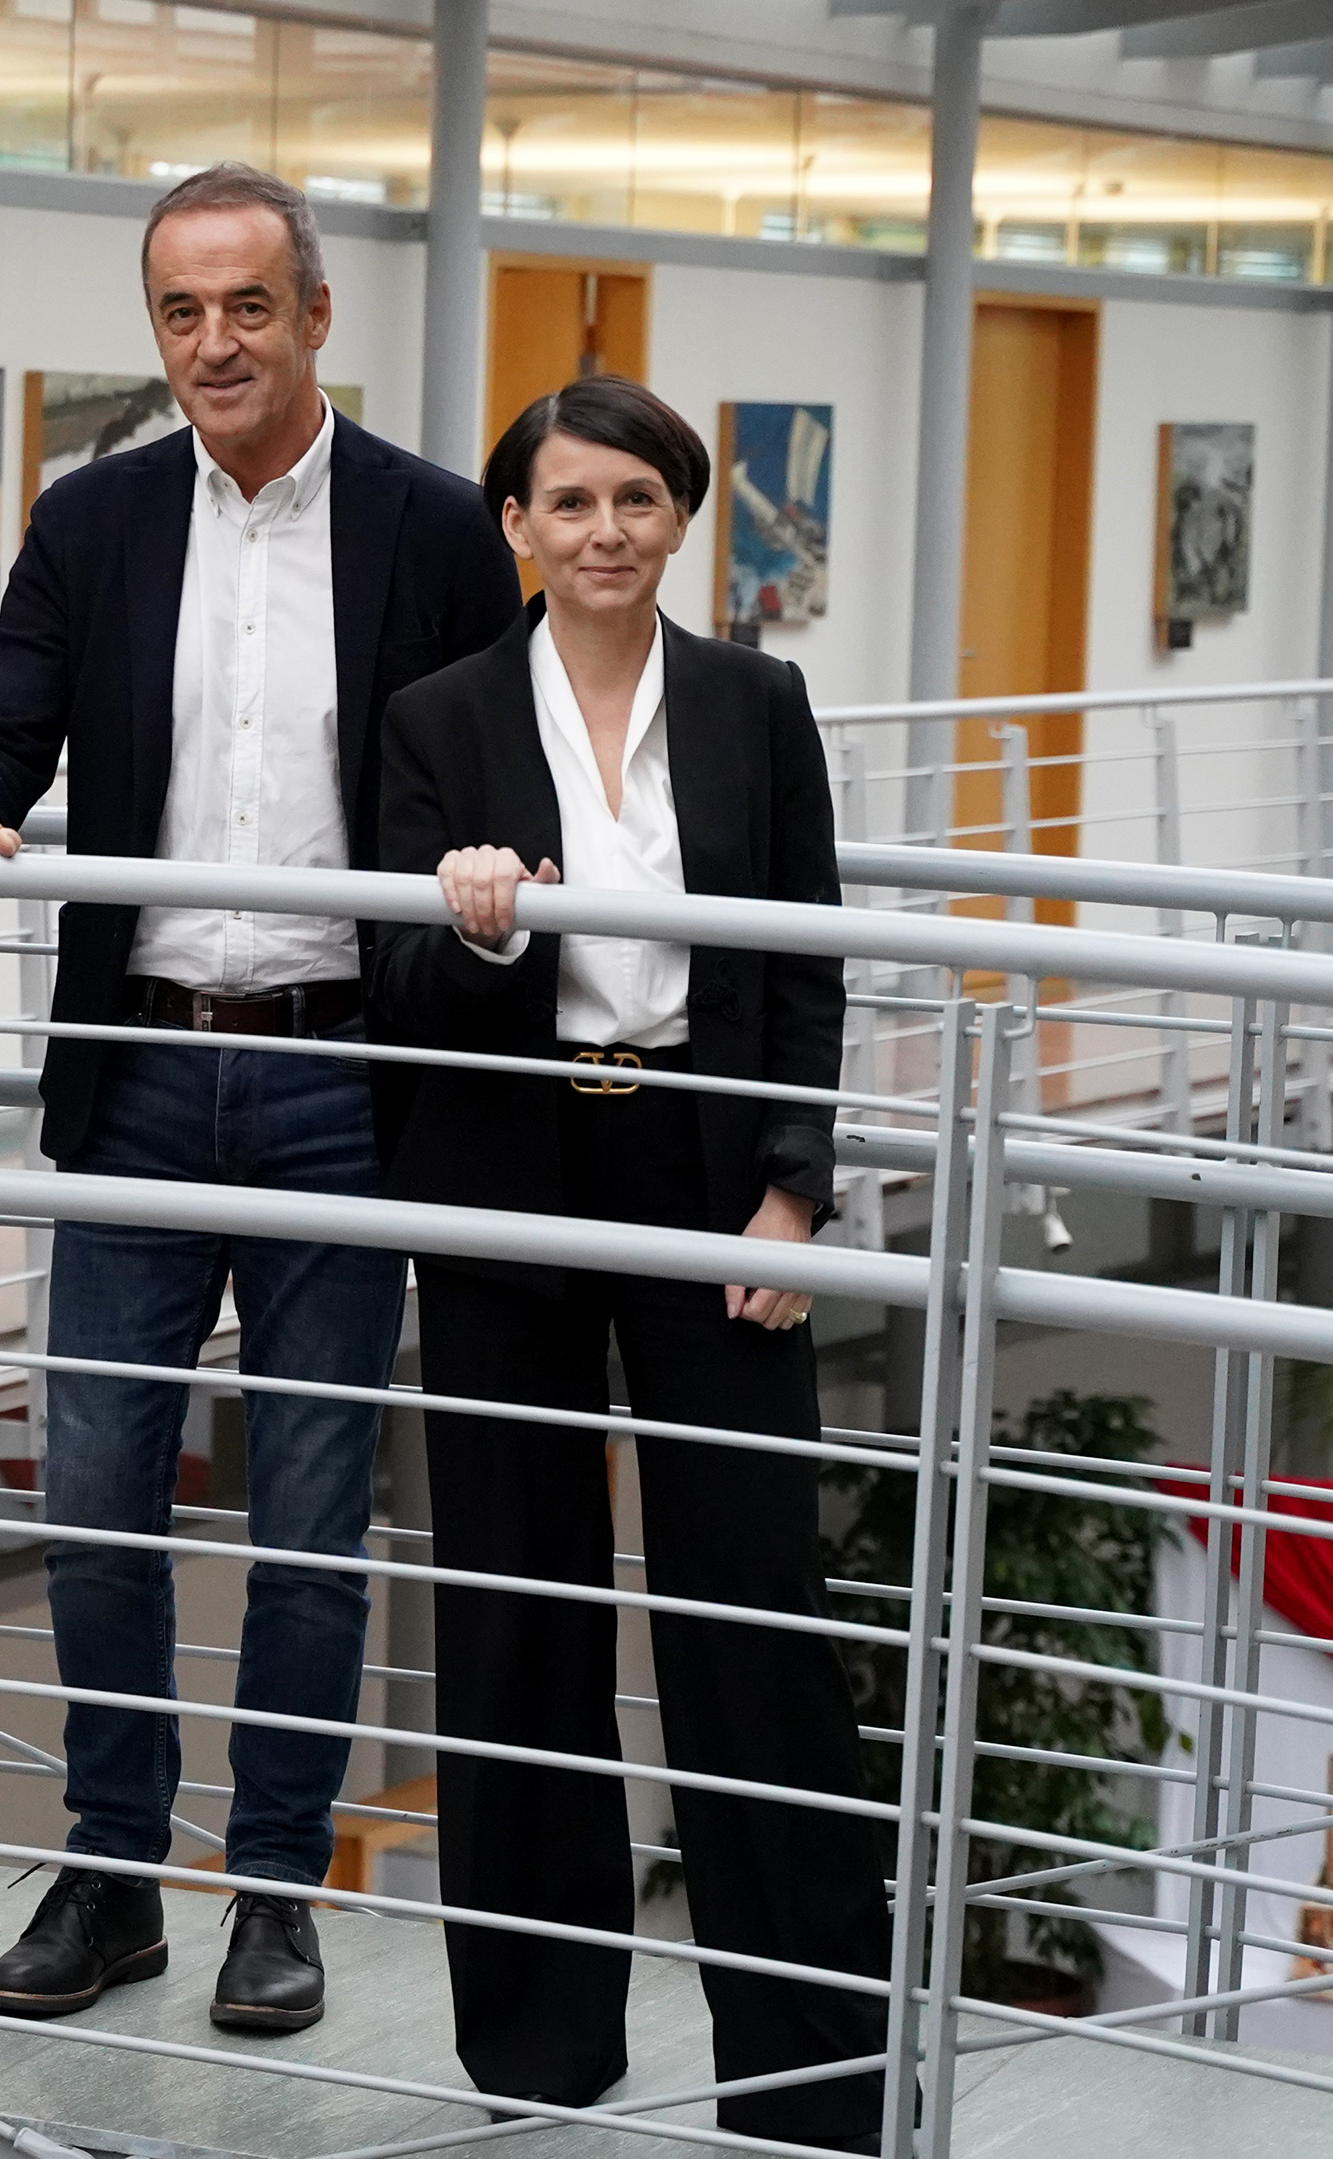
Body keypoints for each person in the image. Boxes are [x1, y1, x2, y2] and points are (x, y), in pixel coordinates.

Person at [0, 163, 519, 2033]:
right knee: (97, 1496)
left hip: (345, 1071)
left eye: (249, 306)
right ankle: (110, 1875)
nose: (215, 343)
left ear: (316, 314)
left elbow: (492, 758)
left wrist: (500, 863)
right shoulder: (90, 518)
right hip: (141, 1065)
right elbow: (3, 716)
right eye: (181, 311)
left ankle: (272, 1892)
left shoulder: (429, 523)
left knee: (311, 1515)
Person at [369, 374, 889, 2152]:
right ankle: (536, 2052)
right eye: (569, 501)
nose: (604, 530)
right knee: (514, 1610)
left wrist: (793, 1192)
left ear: (678, 518)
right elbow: (396, 992)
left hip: (707, 1178)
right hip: (505, 1173)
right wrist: (475, 929)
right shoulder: (437, 715)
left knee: (751, 1616)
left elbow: (804, 959)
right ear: (514, 525)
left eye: (636, 499)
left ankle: (807, 2077)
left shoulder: (756, 701)